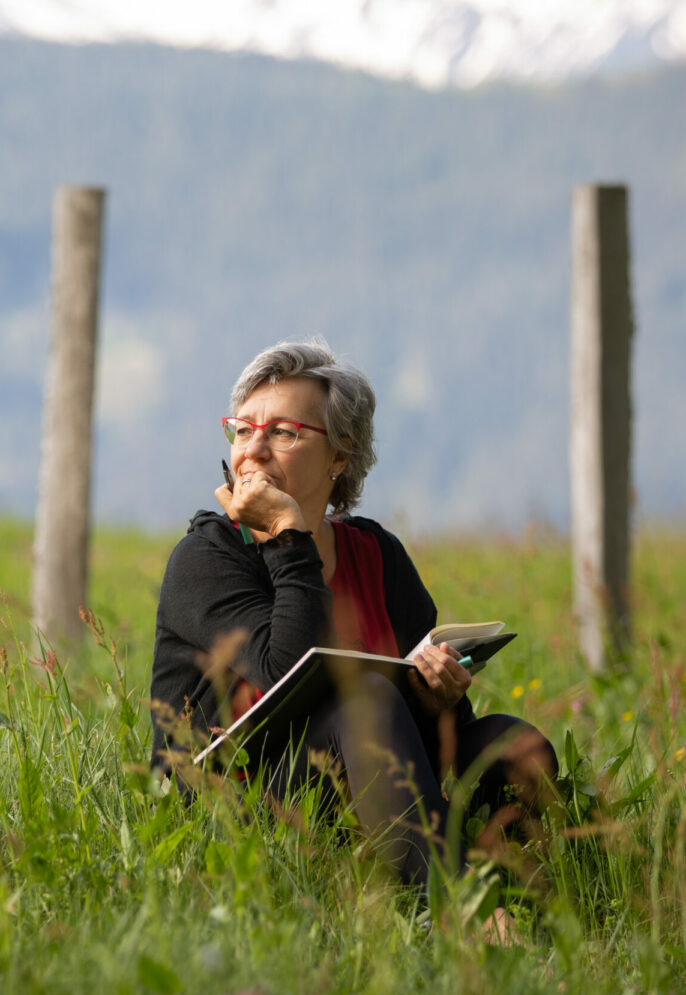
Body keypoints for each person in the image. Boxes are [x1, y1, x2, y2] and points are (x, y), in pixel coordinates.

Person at [150, 336, 557, 895]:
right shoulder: (208, 557)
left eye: (284, 432)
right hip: (236, 803)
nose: (255, 449)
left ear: (339, 456)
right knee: (364, 699)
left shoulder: (378, 556)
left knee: (513, 744)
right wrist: (288, 533)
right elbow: (284, 672)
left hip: (363, 785)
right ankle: (464, 910)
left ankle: (507, 882)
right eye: (243, 429)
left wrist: (438, 698)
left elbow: (420, 737)